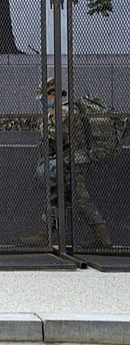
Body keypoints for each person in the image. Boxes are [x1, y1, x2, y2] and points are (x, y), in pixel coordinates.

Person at [19, 78, 111, 249]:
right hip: (68, 161)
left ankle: (102, 237)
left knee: (80, 200)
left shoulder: (63, 112)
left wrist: (44, 125)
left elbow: (56, 137)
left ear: (52, 95)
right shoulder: (60, 111)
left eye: (43, 98)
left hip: (70, 162)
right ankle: (49, 234)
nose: (42, 102)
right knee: (57, 198)